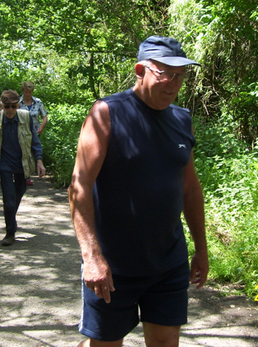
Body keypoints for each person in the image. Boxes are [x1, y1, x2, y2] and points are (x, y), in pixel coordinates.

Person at [67, 36, 209, 347]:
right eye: (165, 73)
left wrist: (201, 248)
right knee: (105, 344)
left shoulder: (182, 120)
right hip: (114, 264)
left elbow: (189, 188)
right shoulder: (106, 113)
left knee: (166, 343)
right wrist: (91, 257)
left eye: (180, 75)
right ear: (140, 70)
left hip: (168, 262)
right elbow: (79, 187)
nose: (173, 83)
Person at [0, 90, 46, 246]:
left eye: (13, 106)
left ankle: (11, 219)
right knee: (9, 200)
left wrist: (39, 160)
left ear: (18, 105)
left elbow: (34, 139)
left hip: (22, 163)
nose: (10, 110)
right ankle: (10, 232)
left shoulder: (25, 117)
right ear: (1, 106)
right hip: (4, 164)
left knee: (19, 193)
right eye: (7, 107)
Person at [19, 81, 48, 185]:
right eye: (26, 92)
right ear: (23, 91)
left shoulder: (38, 102)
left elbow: (45, 116)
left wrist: (41, 126)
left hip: (35, 132)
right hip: (22, 132)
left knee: (33, 152)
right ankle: (26, 176)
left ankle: (31, 171)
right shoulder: (18, 102)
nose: (28, 94)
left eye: (30, 92)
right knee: (24, 153)